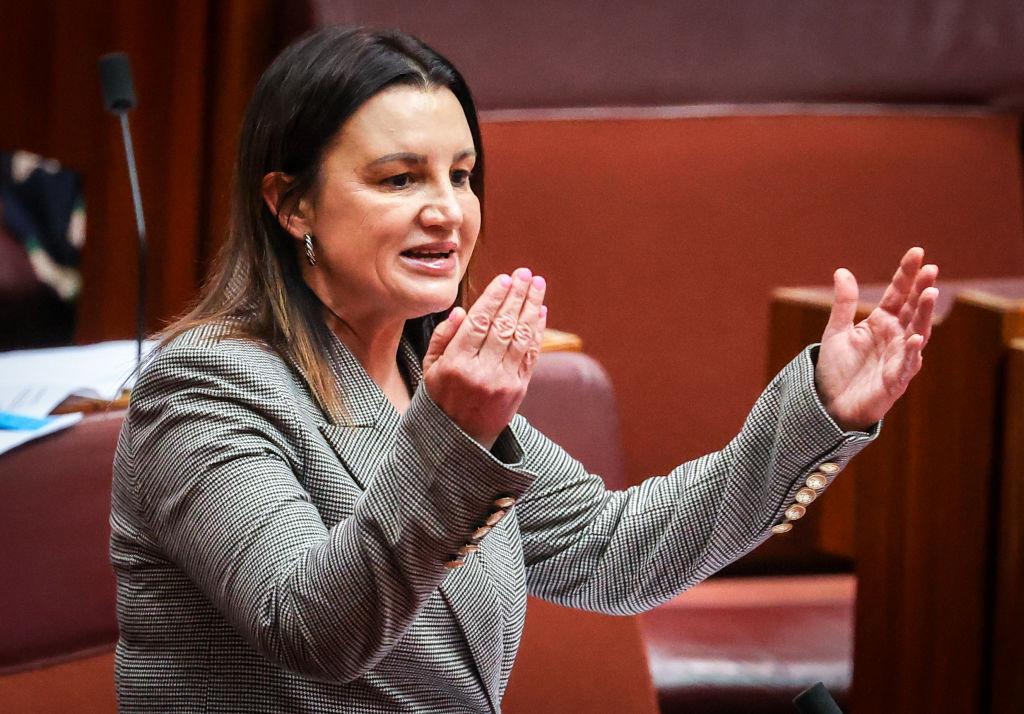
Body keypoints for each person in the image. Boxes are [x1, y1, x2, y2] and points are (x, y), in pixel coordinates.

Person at [109, 25, 938, 713]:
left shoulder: (414, 372)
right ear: (291, 205)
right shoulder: (210, 386)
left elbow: (614, 550)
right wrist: (451, 434)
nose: (448, 211)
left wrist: (819, 409)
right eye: (400, 178)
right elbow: (311, 629)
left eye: (462, 176)